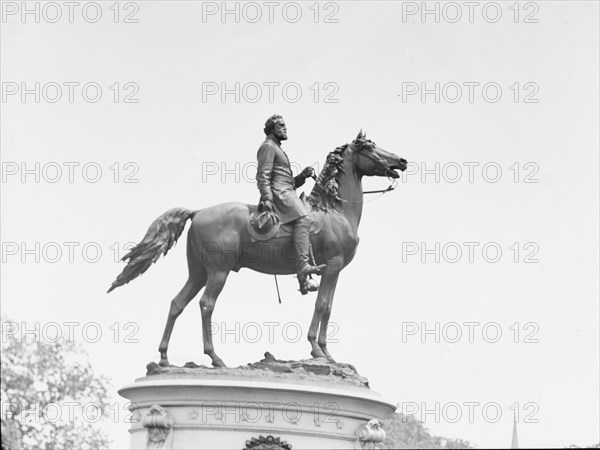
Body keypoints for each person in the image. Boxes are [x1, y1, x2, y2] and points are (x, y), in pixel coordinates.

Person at [256, 114, 326, 294]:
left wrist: (302, 176)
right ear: (272, 129)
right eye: (281, 125)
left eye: (285, 125)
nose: (285, 128)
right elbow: (263, 175)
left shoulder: (277, 148)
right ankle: (303, 266)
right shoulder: (268, 147)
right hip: (280, 195)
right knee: (304, 217)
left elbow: (287, 181)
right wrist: (268, 198)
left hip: (286, 191)